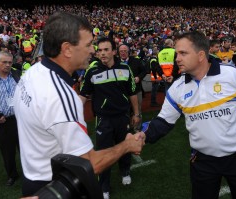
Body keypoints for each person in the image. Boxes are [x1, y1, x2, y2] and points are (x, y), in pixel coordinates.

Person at [13, 12, 144, 197]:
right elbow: (89, 164)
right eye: (89, 45)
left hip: (33, 177)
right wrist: (127, 145)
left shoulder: (32, 73)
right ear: (67, 49)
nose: (93, 51)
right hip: (55, 186)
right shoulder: (61, 96)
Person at [140, 31, 236, 199]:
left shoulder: (232, 75)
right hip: (202, 160)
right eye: (177, 54)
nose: (177, 59)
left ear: (200, 55)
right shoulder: (177, 88)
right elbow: (163, 122)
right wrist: (143, 134)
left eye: (183, 53)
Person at [79, 37, 141, 199]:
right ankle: (104, 186)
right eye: (99, 50)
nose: (102, 53)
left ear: (114, 51)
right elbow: (84, 95)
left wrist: (136, 113)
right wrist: (74, 114)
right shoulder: (92, 70)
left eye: (106, 50)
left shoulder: (125, 69)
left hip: (123, 117)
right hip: (103, 119)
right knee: (104, 154)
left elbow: (132, 93)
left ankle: (125, 171)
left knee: (126, 146)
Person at [0, 51, 21, 186]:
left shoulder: (16, 74)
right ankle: (12, 175)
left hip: (20, 119)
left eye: (10, 62)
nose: (8, 65)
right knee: (7, 151)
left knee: (25, 148)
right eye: (4, 62)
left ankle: (30, 171)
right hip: (2, 122)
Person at [118, 44, 147, 130]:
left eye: (125, 51)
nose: (123, 53)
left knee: (137, 110)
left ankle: (137, 128)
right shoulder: (116, 63)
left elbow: (144, 71)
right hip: (122, 92)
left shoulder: (136, 61)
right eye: (121, 51)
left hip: (136, 90)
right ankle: (127, 126)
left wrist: (139, 77)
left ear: (128, 52)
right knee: (124, 110)